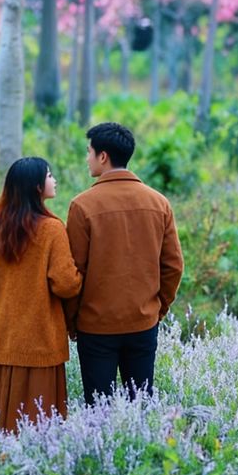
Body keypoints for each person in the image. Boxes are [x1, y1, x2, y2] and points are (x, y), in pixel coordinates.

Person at [65, 122, 184, 405]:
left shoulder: (82, 206)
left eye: (89, 152)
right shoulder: (159, 202)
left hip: (96, 328)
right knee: (140, 406)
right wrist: (157, 309)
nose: (87, 159)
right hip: (143, 324)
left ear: (102, 156)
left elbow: (74, 274)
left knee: (98, 411)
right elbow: (174, 266)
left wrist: (72, 323)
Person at [0, 156, 82, 432]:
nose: (54, 180)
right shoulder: (52, 229)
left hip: (3, 341)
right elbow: (66, 284)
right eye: (49, 175)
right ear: (37, 187)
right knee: (40, 425)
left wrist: (7, 309)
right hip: (41, 341)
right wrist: (82, 274)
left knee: (0, 426)